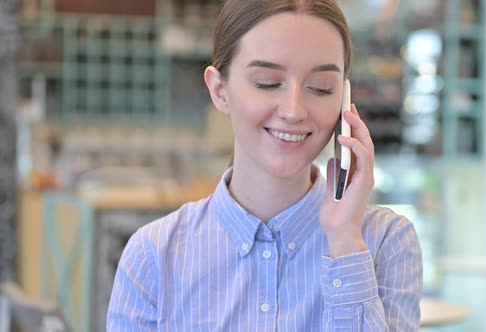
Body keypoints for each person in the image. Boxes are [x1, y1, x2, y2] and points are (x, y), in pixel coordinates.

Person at [107, 0, 423, 330]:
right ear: (220, 90)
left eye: (320, 88)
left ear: (344, 100)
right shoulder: (153, 255)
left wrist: (344, 241)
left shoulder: (386, 242)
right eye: (268, 83)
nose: (294, 110)